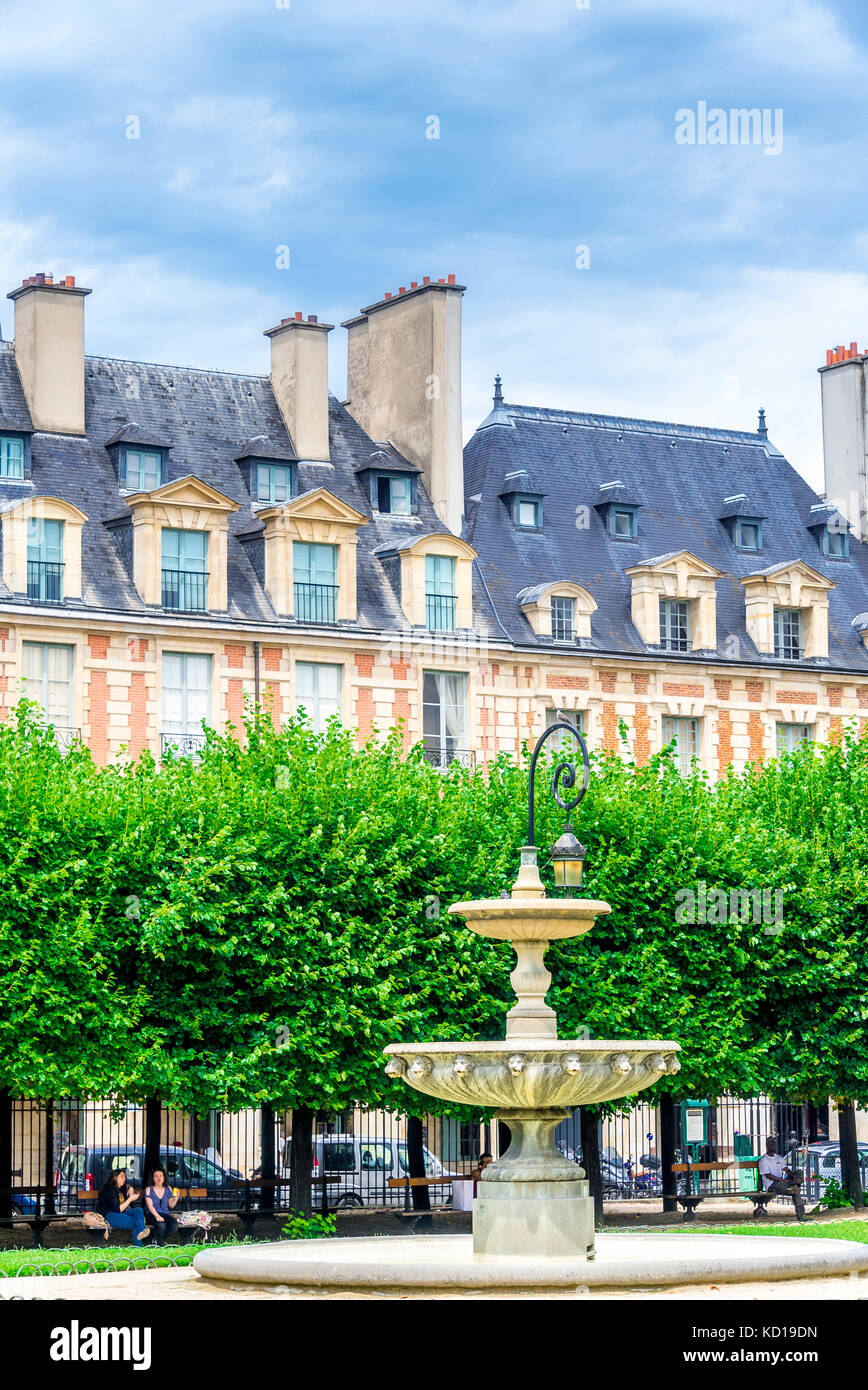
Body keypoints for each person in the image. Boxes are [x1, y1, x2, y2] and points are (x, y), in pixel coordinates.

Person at [757, 1136, 808, 1221]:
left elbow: (786, 1170)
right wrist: (783, 1180)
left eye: (773, 1143)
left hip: (783, 1182)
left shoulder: (779, 1158)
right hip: (772, 1185)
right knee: (795, 1190)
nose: (772, 1145)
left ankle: (794, 1184)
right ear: (766, 1145)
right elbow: (768, 1176)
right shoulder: (763, 1160)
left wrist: (793, 1176)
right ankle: (801, 1215)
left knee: (799, 1172)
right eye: (770, 1143)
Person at [97, 1168, 150, 1243]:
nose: (124, 1179)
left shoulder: (119, 1187)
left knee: (138, 1210)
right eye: (121, 1176)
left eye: (125, 1176)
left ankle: (142, 1231)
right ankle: (138, 1245)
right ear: (115, 1177)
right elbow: (118, 1209)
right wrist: (130, 1199)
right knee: (136, 1223)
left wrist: (130, 1188)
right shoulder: (110, 1190)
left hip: (120, 1213)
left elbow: (127, 1186)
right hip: (109, 1215)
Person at [143, 1164, 180, 1245]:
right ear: (153, 1178)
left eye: (160, 1176)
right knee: (161, 1225)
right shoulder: (149, 1189)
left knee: (174, 1226)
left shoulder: (168, 1188)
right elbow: (150, 1206)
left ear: (164, 1177)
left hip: (165, 1214)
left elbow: (171, 1205)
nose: (159, 1178)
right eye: (156, 1176)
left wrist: (176, 1198)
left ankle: (157, 1240)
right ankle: (160, 1245)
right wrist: (157, 1216)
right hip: (152, 1214)